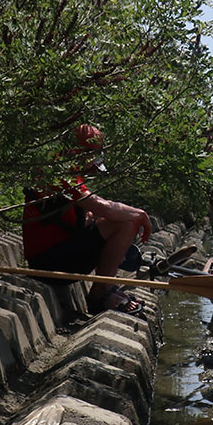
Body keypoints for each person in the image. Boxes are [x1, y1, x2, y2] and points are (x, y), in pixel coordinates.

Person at [22, 124, 152, 314]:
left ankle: (107, 287)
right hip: (49, 264)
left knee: (109, 219)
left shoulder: (65, 172)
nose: (92, 167)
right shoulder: (59, 173)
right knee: (127, 221)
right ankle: (101, 294)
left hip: (59, 255)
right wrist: (141, 215)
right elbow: (106, 208)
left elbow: (96, 211)